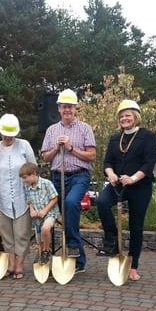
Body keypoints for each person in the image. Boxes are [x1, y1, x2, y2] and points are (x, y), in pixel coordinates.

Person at [96, 100, 156, 281]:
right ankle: (112, 240)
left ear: (136, 116)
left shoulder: (147, 136)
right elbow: (107, 162)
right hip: (118, 184)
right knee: (101, 201)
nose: (124, 118)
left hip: (140, 186)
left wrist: (133, 178)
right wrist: (111, 174)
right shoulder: (115, 138)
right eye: (121, 116)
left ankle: (133, 266)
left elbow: (148, 163)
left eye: (128, 115)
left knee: (135, 226)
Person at [41, 89, 96, 273]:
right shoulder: (51, 130)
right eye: (64, 106)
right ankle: (78, 261)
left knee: (72, 203)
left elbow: (92, 156)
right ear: (59, 108)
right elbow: (46, 158)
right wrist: (57, 147)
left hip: (79, 175)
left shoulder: (85, 128)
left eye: (71, 107)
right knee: (64, 214)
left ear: (75, 108)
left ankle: (72, 245)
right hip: (57, 176)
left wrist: (71, 148)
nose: (67, 110)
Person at [0, 114, 36, 279]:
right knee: (6, 232)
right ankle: (11, 262)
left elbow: (33, 169)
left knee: (21, 232)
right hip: (3, 197)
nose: (8, 137)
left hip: (22, 195)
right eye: (5, 133)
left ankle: (20, 263)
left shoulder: (24, 146)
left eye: (11, 134)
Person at [20, 162, 59, 265]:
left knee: (45, 229)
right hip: (37, 216)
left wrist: (45, 210)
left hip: (50, 213)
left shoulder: (47, 183)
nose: (24, 180)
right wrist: (32, 210)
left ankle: (46, 251)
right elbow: (29, 200)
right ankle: (41, 253)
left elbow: (54, 198)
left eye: (25, 177)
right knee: (39, 237)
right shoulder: (27, 186)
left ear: (34, 174)